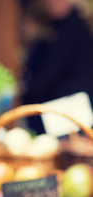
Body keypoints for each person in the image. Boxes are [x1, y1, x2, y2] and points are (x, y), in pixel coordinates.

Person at [22, 0, 93, 134]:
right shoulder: (58, 27)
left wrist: (29, 91)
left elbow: (52, 70)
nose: (51, 3)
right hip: (66, 108)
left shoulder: (74, 28)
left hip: (73, 109)